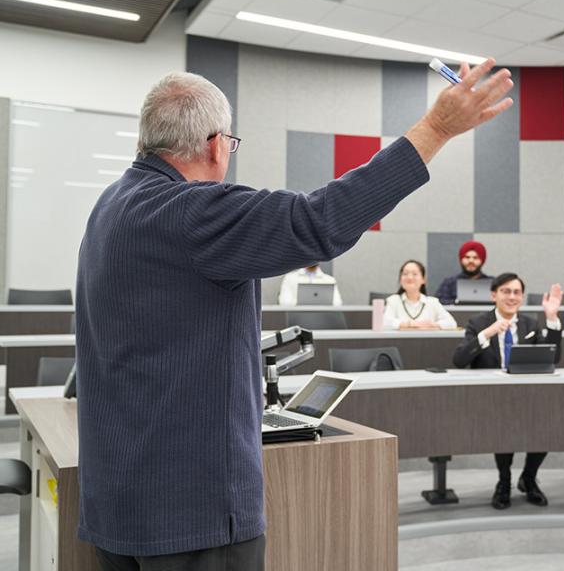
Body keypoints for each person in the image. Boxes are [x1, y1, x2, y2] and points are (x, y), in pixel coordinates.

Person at [76, 61, 514, 569]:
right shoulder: (190, 211)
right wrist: (436, 128)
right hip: (190, 511)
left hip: (118, 497)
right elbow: (319, 221)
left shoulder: (111, 205)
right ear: (217, 144)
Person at [452, 273, 563, 510]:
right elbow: (459, 360)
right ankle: (504, 482)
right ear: (494, 295)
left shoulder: (530, 324)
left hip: (528, 394)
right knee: (505, 428)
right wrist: (488, 333)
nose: (511, 297)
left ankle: (529, 478)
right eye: (506, 291)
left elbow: (553, 358)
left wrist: (551, 318)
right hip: (492, 396)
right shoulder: (478, 323)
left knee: (545, 426)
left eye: (517, 292)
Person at [383, 260, 457, 329]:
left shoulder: (432, 302)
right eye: (405, 274)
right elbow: (385, 323)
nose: (409, 277)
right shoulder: (393, 300)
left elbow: (451, 323)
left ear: (423, 280)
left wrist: (433, 325)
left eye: (414, 274)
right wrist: (410, 324)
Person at [435, 240, 493, 304]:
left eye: (475, 258)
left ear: (482, 261)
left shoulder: (493, 283)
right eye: (467, 257)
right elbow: (438, 303)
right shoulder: (449, 283)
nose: (471, 261)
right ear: (461, 260)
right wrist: (456, 303)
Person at [277, 263, 343, 305]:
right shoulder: (290, 278)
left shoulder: (329, 280)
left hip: (323, 319)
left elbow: (338, 303)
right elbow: (284, 302)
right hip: (296, 320)